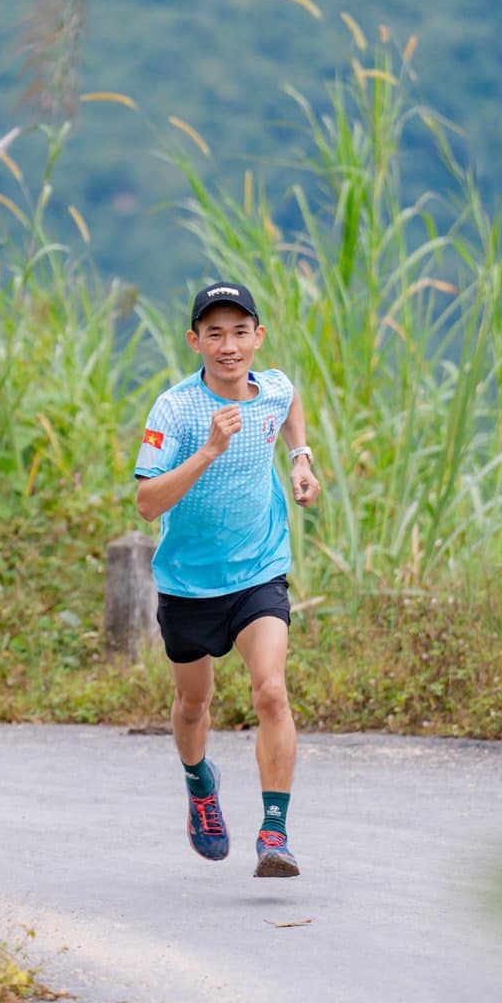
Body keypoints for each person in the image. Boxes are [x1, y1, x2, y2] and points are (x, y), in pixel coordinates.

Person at [133, 280, 319, 877]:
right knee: (194, 704)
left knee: (271, 690)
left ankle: (274, 834)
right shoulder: (176, 409)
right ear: (196, 342)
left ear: (258, 338)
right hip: (188, 584)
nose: (230, 345)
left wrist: (301, 459)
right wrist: (210, 449)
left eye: (241, 332)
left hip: (260, 568)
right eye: (215, 333)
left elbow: (289, 405)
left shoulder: (275, 388)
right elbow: (145, 502)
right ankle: (200, 784)